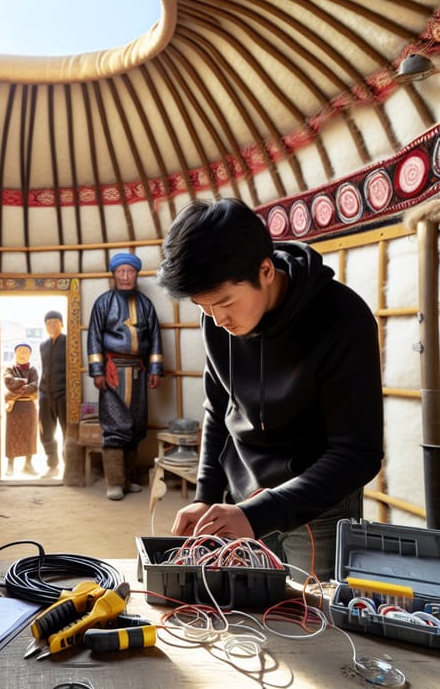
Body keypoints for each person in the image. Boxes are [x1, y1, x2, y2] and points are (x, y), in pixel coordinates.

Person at [157, 198, 383, 582]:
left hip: (319, 505)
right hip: (241, 495)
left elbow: (357, 453)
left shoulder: (343, 319)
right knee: (250, 617)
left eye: (225, 302)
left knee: (314, 621)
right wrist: (207, 497)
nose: (217, 319)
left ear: (265, 270)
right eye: (204, 307)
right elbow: (219, 408)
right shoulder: (215, 319)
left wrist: (260, 514)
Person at [87, 253, 163, 500]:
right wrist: (98, 371)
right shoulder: (103, 303)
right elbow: (94, 338)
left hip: (138, 373)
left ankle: (127, 480)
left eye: (130, 272)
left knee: (136, 427)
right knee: (115, 427)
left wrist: (154, 369)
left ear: (136, 275)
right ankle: (114, 483)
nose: (126, 276)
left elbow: (154, 339)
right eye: (121, 272)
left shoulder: (145, 305)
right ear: (114, 275)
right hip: (112, 375)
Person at [38, 310, 67, 478]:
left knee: (67, 432)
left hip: (63, 393)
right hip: (45, 395)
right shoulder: (43, 345)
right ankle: (52, 465)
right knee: (46, 432)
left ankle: (68, 467)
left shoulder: (69, 342)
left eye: (55, 322)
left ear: (62, 324)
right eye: (49, 323)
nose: (52, 326)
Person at [4, 342, 39, 476]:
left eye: (26, 352)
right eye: (20, 351)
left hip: (29, 406)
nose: (23, 354)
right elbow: (9, 383)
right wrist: (25, 384)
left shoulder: (33, 370)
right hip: (14, 407)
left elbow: (35, 385)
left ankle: (28, 465)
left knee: (30, 435)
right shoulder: (9, 368)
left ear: (30, 355)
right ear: (15, 353)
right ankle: (10, 465)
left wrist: (20, 387)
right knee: (12, 435)